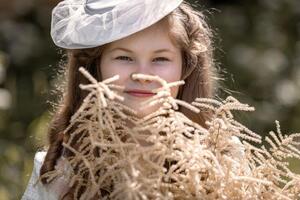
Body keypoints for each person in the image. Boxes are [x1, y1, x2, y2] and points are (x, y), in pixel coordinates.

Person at [22, 0, 218, 199]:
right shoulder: (61, 171)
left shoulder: (218, 162)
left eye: (160, 59)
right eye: (124, 58)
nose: (142, 75)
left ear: (186, 67)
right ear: (95, 67)